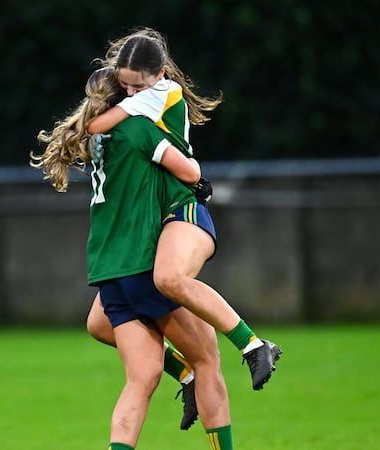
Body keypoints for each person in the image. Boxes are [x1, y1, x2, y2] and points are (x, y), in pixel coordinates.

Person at [34, 67, 234, 450]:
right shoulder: (139, 129)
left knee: (125, 359)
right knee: (208, 356)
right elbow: (189, 170)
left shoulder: (96, 141)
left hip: (109, 266)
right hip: (142, 259)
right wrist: (197, 181)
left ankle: (183, 374)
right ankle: (249, 344)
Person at [84, 27, 282, 393]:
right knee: (98, 323)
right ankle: (187, 375)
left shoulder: (157, 96)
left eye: (134, 86)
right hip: (156, 215)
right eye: (123, 86)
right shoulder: (146, 95)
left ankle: (252, 345)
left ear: (158, 75)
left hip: (180, 204)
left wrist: (92, 122)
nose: (129, 93)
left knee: (169, 281)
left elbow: (95, 124)